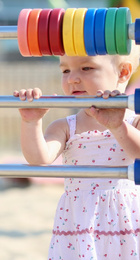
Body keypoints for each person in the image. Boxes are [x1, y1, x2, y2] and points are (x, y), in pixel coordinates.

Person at [13, 45, 140, 258]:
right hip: (79, 222)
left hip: (124, 220)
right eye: (65, 71)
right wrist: (31, 122)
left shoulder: (133, 121)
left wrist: (118, 126)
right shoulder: (65, 126)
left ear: (123, 72)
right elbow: (39, 159)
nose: (72, 79)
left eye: (86, 68)